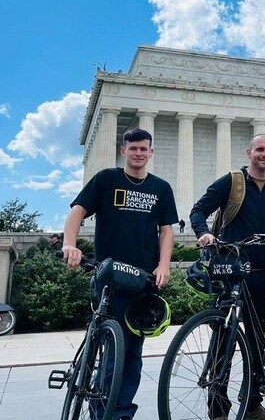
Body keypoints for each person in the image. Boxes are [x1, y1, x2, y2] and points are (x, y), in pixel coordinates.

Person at [62, 128, 177, 420]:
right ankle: (105, 413)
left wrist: (164, 265)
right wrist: (70, 245)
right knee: (114, 352)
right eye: (133, 148)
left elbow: (166, 231)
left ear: (151, 153)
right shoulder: (107, 179)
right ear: (123, 150)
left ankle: (121, 411)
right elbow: (78, 210)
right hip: (110, 275)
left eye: (144, 149)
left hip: (142, 279)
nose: (139, 153)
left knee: (133, 354)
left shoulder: (161, 188)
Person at [191, 134, 265, 420]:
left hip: (262, 274)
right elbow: (198, 210)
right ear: (249, 152)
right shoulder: (231, 182)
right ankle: (217, 405)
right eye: (260, 149)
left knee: (256, 342)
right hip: (231, 271)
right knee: (223, 338)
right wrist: (204, 234)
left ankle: (251, 403)